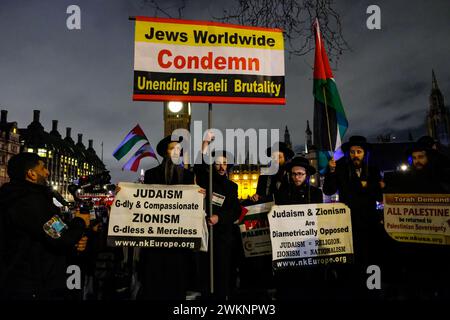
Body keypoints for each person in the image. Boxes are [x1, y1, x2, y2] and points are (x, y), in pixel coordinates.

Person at [0, 153, 88, 300]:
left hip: (17, 282)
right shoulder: (30, 202)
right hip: (32, 286)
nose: (47, 172)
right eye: (43, 168)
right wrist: (80, 222)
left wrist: (75, 240)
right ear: (31, 174)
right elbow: (60, 236)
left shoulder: (14, 197)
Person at [322, 135, 383, 298]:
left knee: (371, 257)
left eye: (359, 151)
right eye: (352, 152)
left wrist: (380, 187)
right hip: (349, 222)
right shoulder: (340, 167)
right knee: (351, 258)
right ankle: (352, 289)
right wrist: (331, 171)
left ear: (365, 153)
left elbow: (379, 196)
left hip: (369, 221)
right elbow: (328, 190)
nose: (355, 155)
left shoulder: (373, 169)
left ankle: (373, 288)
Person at [137, 135, 196, 300]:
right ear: (165, 153)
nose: (176, 152)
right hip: (156, 243)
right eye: (172, 149)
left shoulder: (188, 177)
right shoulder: (151, 175)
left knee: (176, 284)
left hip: (179, 242)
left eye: (179, 149)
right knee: (155, 283)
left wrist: (199, 196)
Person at [194, 136, 241, 300]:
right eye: (218, 163)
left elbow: (235, 211)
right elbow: (198, 165)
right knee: (205, 273)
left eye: (224, 163)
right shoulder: (206, 181)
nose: (221, 167)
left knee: (222, 273)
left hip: (223, 236)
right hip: (206, 234)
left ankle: (221, 299)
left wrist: (219, 218)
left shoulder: (232, 186)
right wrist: (205, 143)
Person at [274, 156, 324, 300]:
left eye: (300, 174)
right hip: (289, 245)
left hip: (309, 242)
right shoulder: (282, 193)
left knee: (309, 279)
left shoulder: (315, 193)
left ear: (306, 175)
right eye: (294, 174)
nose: (297, 177)